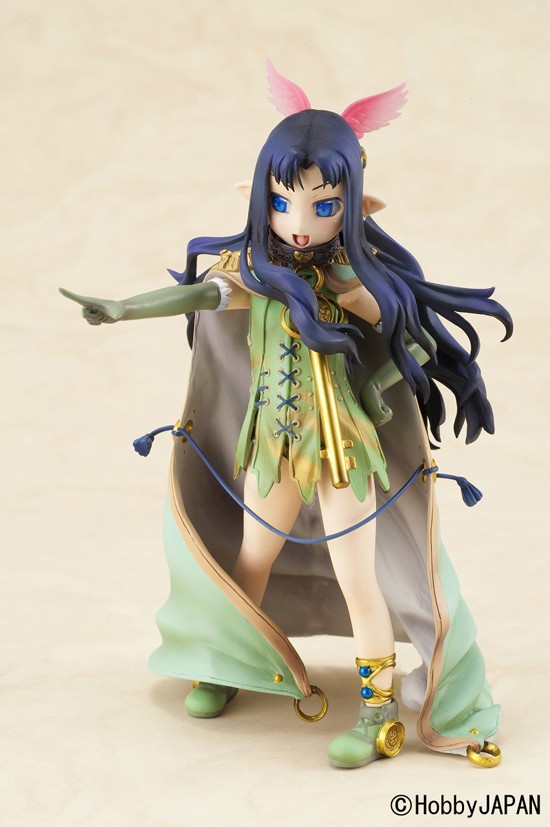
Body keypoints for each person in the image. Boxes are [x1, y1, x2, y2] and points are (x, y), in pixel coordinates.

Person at [61, 63, 511, 769]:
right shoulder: (253, 271)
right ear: (262, 199)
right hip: (271, 442)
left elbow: (416, 341)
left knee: (358, 577)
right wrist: (122, 308)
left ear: (351, 205)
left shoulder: (352, 280)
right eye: (282, 203)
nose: (299, 226)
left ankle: (376, 713)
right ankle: (228, 657)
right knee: (252, 557)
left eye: (323, 207)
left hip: (343, 449)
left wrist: (378, 385)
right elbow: (200, 297)